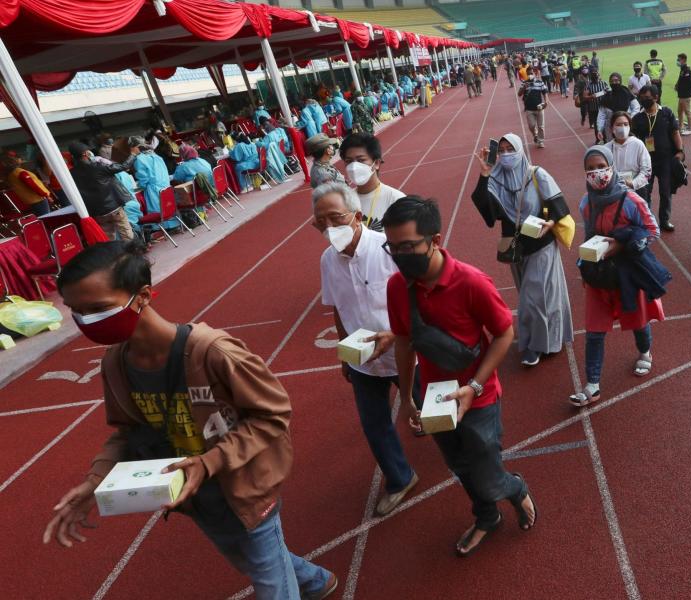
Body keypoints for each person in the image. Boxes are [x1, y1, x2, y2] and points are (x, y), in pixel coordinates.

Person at [44, 241, 338, 600]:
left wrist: (210, 460)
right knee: (253, 563)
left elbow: (272, 414)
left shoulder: (214, 352)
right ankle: (316, 581)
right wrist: (95, 481)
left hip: (247, 487)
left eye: (99, 308)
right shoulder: (115, 365)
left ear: (143, 296)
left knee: (270, 585)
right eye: (77, 311)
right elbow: (128, 432)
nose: (87, 321)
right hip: (196, 498)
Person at [382, 196, 537, 557]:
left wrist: (474, 387)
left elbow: (504, 334)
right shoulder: (396, 288)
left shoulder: (471, 282)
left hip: (478, 397)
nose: (400, 255)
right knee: (458, 465)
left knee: (487, 472)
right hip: (434, 396)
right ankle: (486, 516)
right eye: (393, 248)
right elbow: (404, 344)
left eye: (407, 247)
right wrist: (407, 399)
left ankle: (514, 489)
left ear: (435, 240)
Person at [314, 182, 420, 515]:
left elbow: (418, 297)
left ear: (358, 216)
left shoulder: (389, 249)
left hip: (406, 352)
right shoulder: (327, 261)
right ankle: (400, 478)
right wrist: (345, 353)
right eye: (322, 223)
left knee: (432, 411)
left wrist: (395, 335)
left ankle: (466, 456)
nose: (331, 229)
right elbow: (337, 306)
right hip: (363, 360)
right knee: (374, 423)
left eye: (337, 219)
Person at [569, 146, 664, 407]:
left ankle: (644, 352)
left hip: (627, 274)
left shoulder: (631, 200)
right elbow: (588, 236)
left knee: (637, 319)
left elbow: (652, 231)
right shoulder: (586, 203)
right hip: (598, 275)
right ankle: (592, 385)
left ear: (611, 167)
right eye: (590, 169)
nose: (596, 173)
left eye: (601, 166)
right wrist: (585, 263)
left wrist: (621, 245)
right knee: (594, 331)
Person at [472, 134, 575, 367]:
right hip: (516, 248)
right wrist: (484, 173)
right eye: (503, 150)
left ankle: (533, 347)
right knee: (538, 297)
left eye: (511, 149)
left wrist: (550, 222)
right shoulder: (495, 179)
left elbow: (557, 205)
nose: (507, 154)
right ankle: (549, 340)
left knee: (533, 298)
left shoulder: (536, 174)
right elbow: (489, 214)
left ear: (520, 150)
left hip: (541, 244)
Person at [630, 85, 683, 232]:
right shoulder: (637, 118)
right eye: (642, 98)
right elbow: (632, 138)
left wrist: (680, 151)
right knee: (645, 191)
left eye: (647, 98)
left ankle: (665, 220)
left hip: (666, 159)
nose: (644, 100)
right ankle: (648, 220)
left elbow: (675, 133)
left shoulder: (666, 113)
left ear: (656, 97)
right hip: (646, 162)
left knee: (665, 192)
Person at [68, 142, 139, 241]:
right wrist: (133, 154)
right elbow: (123, 166)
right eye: (88, 151)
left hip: (97, 212)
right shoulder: (97, 167)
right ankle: (133, 254)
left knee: (109, 239)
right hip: (114, 207)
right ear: (85, 154)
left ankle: (116, 255)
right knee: (127, 235)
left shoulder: (71, 174)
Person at [340, 133, 404, 232]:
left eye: (361, 160)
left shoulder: (396, 200)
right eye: (349, 161)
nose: (354, 166)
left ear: (377, 163)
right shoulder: (343, 201)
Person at [131, 136, 177, 229]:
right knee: (168, 208)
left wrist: (140, 185)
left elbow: (143, 178)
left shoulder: (139, 159)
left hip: (153, 189)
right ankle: (173, 224)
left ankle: (164, 228)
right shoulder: (156, 156)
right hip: (165, 186)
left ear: (134, 147)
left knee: (158, 210)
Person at [606, 111, 652, 196]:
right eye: (618, 125)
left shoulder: (638, 144)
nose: (622, 127)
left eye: (626, 124)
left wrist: (633, 183)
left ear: (630, 127)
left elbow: (647, 170)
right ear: (612, 128)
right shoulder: (606, 148)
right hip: (614, 192)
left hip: (637, 191)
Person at [598, 72, 641, 144]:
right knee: (613, 146)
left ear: (620, 81)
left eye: (616, 80)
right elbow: (601, 115)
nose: (614, 82)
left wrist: (630, 118)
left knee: (627, 144)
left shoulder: (627, 93)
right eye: (612, 81)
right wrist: (600, 129)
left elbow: (636, 107)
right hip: (610, 128)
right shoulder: (606, 97)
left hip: (626, 126)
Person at [519, 68, 549, 149]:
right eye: (528, 73)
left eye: (531, 73)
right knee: (531, 126)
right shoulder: (524, 83)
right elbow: (519, 94)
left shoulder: (540, 82)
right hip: (529, 109)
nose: (530, 75)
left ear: (534, 73)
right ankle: (535, 134)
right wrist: (523, 88)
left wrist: (546, 101)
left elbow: (545, 92)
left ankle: (541, 141)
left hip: (539, 108)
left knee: (541, 126)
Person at [583, 67, 609, 144]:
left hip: (603, 108)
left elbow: (609, 92)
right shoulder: (588, 85)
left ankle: (605, 139)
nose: (595, 77)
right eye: (594, 75)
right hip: (593, 108)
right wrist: (591, 96)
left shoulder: (604, 83)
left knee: (604, 124)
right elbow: (584, 97)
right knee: (597, 125)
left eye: (596, 75)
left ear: (599, 75)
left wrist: (606, 92)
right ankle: (598, 139)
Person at [674, 53, 691, 135]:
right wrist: (677, 85)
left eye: (678, 59)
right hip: (681, 95)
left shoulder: (687, 70)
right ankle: (681, 126)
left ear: (683, 60)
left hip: (686, 95)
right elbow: (681, 80)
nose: (677, 61)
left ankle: (690, 128)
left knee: (688, 112)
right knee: (680, 111)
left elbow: (689, 82)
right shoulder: (683, 69)